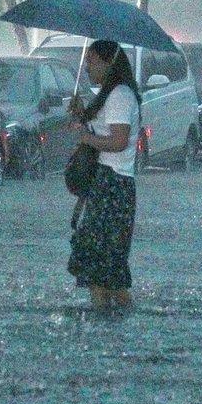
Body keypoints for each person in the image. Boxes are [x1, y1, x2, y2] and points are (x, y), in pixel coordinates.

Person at [68, 40, 141, 310]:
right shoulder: (110, 95)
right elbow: (104, 133)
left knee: (105, 268)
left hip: (114, 186)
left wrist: (86, 137)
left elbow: (119, 141)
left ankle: (109, 320)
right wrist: (82, 114)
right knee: (101, 267)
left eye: (92, 60)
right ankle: (108, 319)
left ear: (109, 63)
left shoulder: (121, 95)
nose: (87, 67)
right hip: (105, 183)